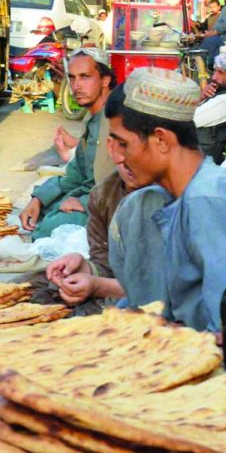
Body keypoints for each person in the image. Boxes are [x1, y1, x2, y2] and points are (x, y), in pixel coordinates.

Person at [106, 69, 226, 333]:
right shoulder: (166, 197)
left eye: (124, 144)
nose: (118, 157)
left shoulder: (207, 199)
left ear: (161, 139)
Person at [47, 89, 170, 309]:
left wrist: (97, 285)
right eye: (118, 145)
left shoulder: (178, 198)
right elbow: (106, 265)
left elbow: (170, 288)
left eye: (133, 146)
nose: (125, 159)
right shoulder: (104, 194)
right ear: (110, 147)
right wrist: (83, 268)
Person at [19, 48, 114, 240]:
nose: (76, 86)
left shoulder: (115, 120)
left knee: (46, 231)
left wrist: (87, 203)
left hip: (110, 205)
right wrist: (39, 198)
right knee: (40, 211)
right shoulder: (92, 117)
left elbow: (125, 182)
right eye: (71, 78)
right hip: (90, 195)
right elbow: (75, 175)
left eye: (85, 77)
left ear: (105, 80)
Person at [195, 46, 226, 163]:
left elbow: (185, 120)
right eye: (215, 71)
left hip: (201, 164)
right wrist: (201, 97)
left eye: (221, 73)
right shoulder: (221, 95)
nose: (214, 77)